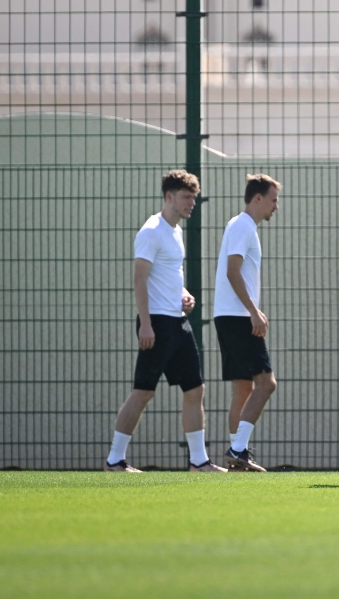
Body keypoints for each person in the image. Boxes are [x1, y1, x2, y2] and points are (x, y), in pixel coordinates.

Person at [105, 170, 226, 472]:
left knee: (195, 389)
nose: (191, 204)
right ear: (169, 197)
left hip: (178, 323)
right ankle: (114, 461)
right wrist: (145, 325)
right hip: (156, 325)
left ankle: (199, 462)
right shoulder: (151, 230)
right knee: (143, 391)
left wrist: (184, 295)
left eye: (194, 199)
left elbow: (168, 274)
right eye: (187, 198)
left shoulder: (176, 232)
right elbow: (140, 280)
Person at [214, 174, 281, 472]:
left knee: (242, 389)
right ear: (258, 198)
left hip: (228, 316)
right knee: (266, 384)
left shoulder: (239, 225)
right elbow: (232, 271)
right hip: (239, 318)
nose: (275, 206)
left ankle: (237, 460)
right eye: (273, 200)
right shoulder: (243, 225)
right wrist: (254, 311)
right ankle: (238, 449)